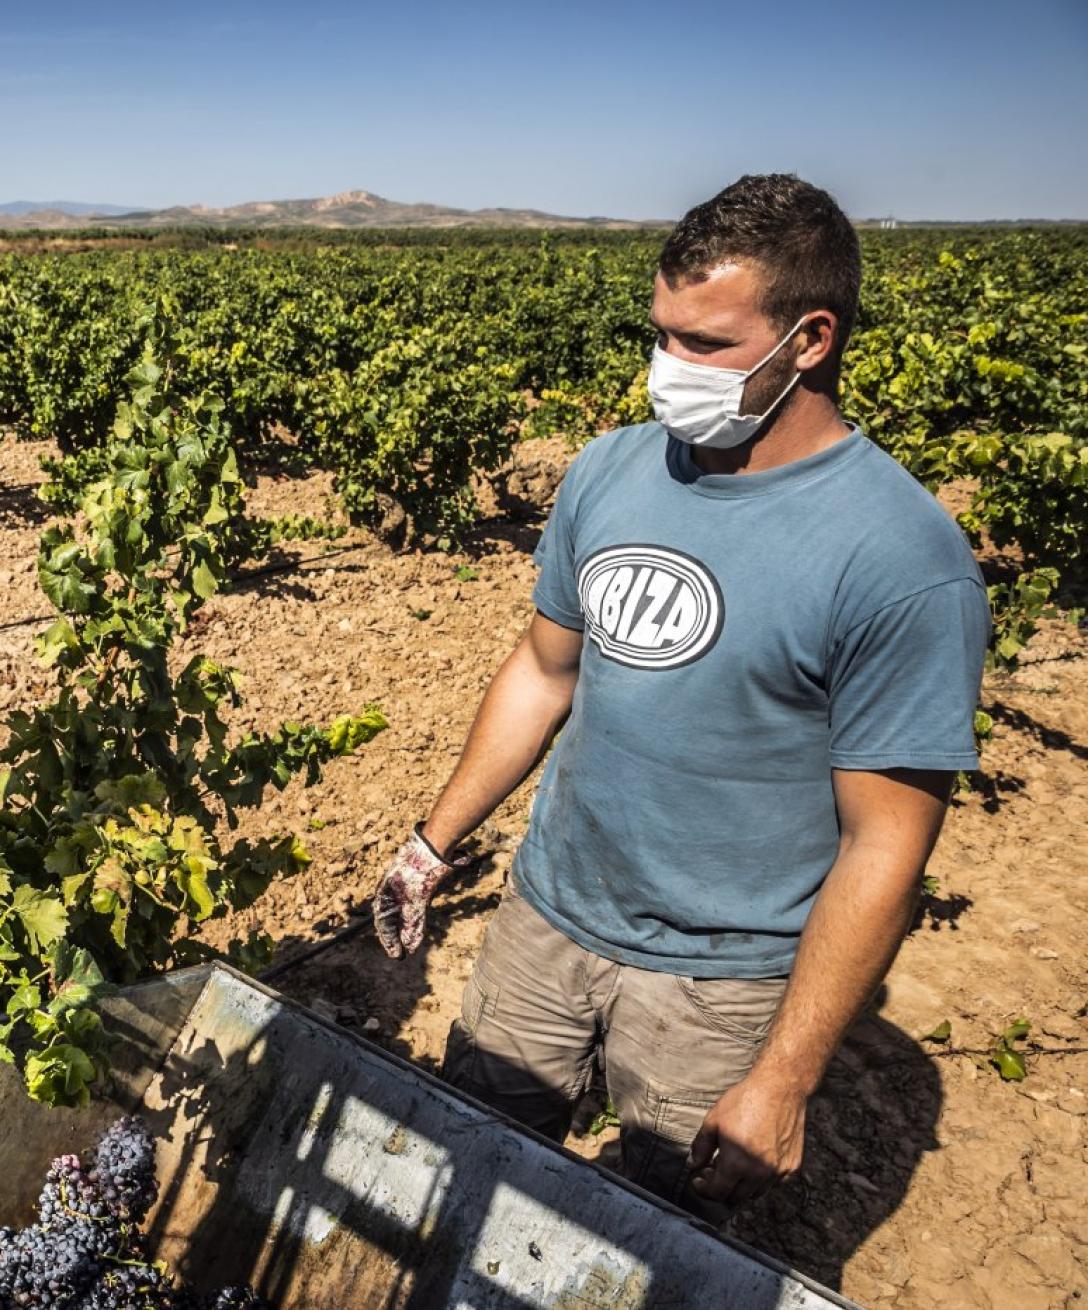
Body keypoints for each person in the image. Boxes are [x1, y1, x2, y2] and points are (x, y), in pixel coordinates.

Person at [372, 174, 987, 1218]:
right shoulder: (610, 472)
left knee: (652, 1237)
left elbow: (887, 841)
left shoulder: (900, 558)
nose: (669, 369)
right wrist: (433, 843)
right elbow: (544, 669)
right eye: (661, 335)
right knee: (470, 1182)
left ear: (811, 338)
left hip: (723, 985)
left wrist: (784, 1077)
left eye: (704, 343)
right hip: (548, 918)